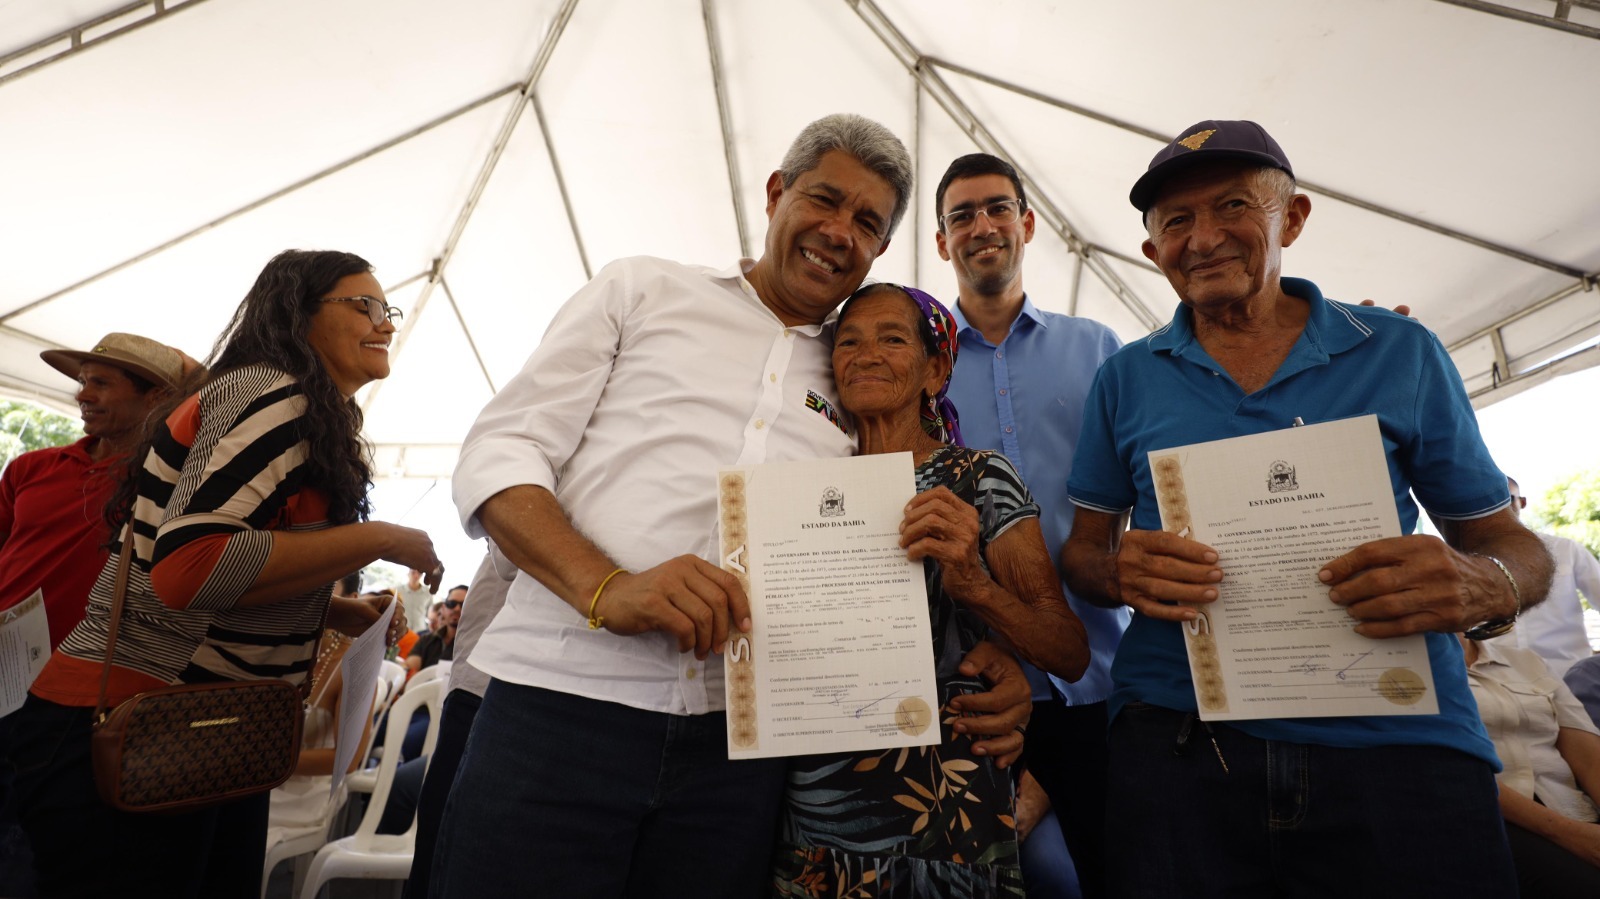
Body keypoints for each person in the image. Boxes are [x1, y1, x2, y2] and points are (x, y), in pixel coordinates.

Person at [436, 114, 1030, 899]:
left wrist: (988, 663)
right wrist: (610, 588)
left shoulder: (858, 367)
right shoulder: (642, 288)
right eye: (823, 199)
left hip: (744, 751)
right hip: (560, 708)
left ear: (881, 248)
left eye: (867, 223)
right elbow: (500, 452)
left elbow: (892, 553)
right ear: (776, 193)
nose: (838, 231)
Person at [1060, 119, 1554, 897]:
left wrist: (1486, 582)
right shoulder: (1123, 379)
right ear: (1152, 251)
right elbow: (1084, 554)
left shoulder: (1399, 350)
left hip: (1398, 741)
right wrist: (1120, 571)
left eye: (1232, 207)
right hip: (1182, 746)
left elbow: (1506, 540)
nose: (1204, 237)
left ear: (1291, 218)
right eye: (1176, 222)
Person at [0, 248, 443, 897]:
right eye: (365, 305)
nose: (386, 323)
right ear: (300, 312)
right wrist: (378, 537)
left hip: (195, 733)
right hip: (137, 724)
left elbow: (210, 565)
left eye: (390, 309)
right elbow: (192, 564)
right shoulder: (273, 393)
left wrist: (332, 608)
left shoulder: (291, 404)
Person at [771, 282, 1089, 897]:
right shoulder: (800, 488)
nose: (865, 354)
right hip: (819, 796)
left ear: (935, 369)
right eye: (849, 341)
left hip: (944, 792)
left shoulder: (977, 477)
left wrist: (973, 583)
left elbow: (1069, 650)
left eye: (892, 339)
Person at [934, 152, 1125, 898]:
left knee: (1118, 870)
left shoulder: (1100, 351)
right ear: (943, 241)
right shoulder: (915, 360)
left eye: (996, 207)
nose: (981, 225)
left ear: (1028, 223)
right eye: (962, 215)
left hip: (1102, 684)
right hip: (972, 686)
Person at [0, 332, 189, 650]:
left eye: (100, 383)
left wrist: (194, 378)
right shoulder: (31, 466)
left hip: (79, 668)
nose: (82, 395)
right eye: (82, 381)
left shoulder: (163, 482)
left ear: (156, 398)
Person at [1463, 633, 1600, 897]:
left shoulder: (1525, 661)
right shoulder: (1402, 669)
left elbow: (1589, 758)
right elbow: (1453, 771)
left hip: (1576, 809)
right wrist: (1572, 835)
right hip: (1499, 822)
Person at [1503, 476, 1600, 676]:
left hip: (1568, 675)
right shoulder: (1467, 560)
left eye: (1508, 498)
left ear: (1522, 502)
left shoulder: (1567, 550)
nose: (1500, 507)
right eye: (1492, 501)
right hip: (1502, 681)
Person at [407, 585, 466, 675]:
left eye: (464, 604)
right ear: (443, 608)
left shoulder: (475, 646)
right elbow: (411, 668)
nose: (457, 609)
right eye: (451, 604)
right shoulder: (426, 640)